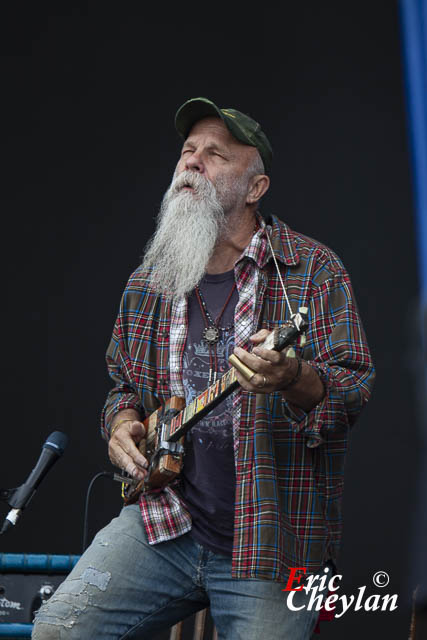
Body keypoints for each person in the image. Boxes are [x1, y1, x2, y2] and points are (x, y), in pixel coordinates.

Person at [32, 97, 375, 639]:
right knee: (56, 630)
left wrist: (294, 378)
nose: (192, 161)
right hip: (164, 522)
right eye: (188, 151)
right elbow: (122, 385)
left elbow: (352, 389)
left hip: (269, 542)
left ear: (255, 188)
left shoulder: (313, 272)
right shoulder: (151, 278)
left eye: (216, 155)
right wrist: (121, 423)